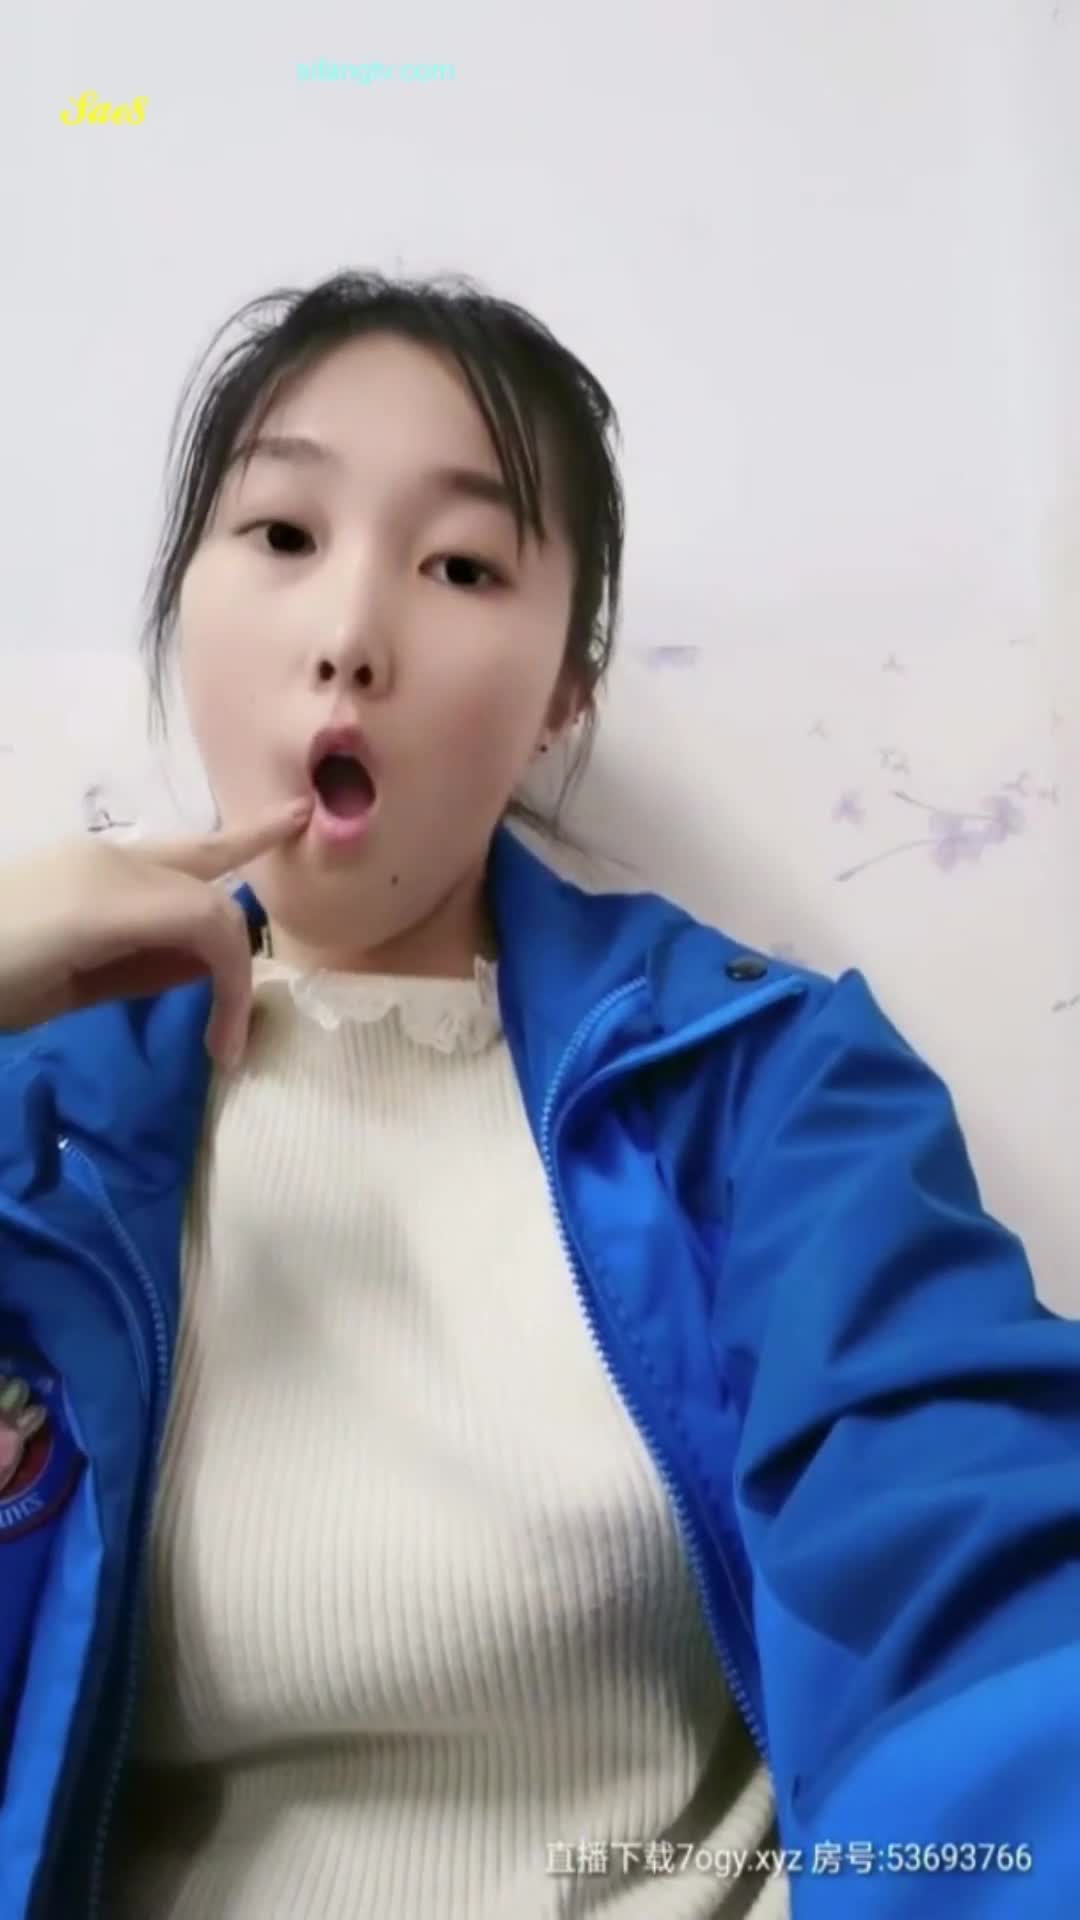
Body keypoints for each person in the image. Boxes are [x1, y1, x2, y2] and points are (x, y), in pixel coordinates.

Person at [0, 270, 1076, 1920]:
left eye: (460, 566)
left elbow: (979, 1583)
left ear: (567, 685)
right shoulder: (36, 1124)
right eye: (281, 535)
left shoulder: (768, 1092)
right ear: (184, 601)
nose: (350, 637)